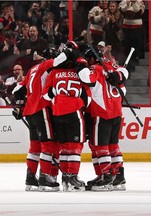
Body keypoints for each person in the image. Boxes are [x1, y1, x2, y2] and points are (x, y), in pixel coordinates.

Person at [12, 48, 67, 191]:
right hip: (41, 107)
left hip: (30, 111)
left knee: (35, 146)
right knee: (47, 145)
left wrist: (19, 106)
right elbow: (59, 60)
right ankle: (44, 178)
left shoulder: (31, 70)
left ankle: (30, 179)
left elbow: (17, 90)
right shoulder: (45, 65)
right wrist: (70, 52)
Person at [76, 47, 129, 191]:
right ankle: (118, 176)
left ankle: (106, 177)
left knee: (100, 146)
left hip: (102, 113)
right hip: (116, 112)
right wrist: (119, 77)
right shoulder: (112, 66)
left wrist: (80, 65)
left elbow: (86, 77)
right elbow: (123, 87)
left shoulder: (95, 68)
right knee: (113, 146)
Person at [42, 45, 91, 192]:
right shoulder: (80, 73)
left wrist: (56, 96)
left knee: (63, 148)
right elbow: (88, 99)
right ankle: (72, 178)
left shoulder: (54, 73)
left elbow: (45, 96)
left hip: (57, 113)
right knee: (75, 147)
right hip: (74, 113)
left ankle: (65, 179)